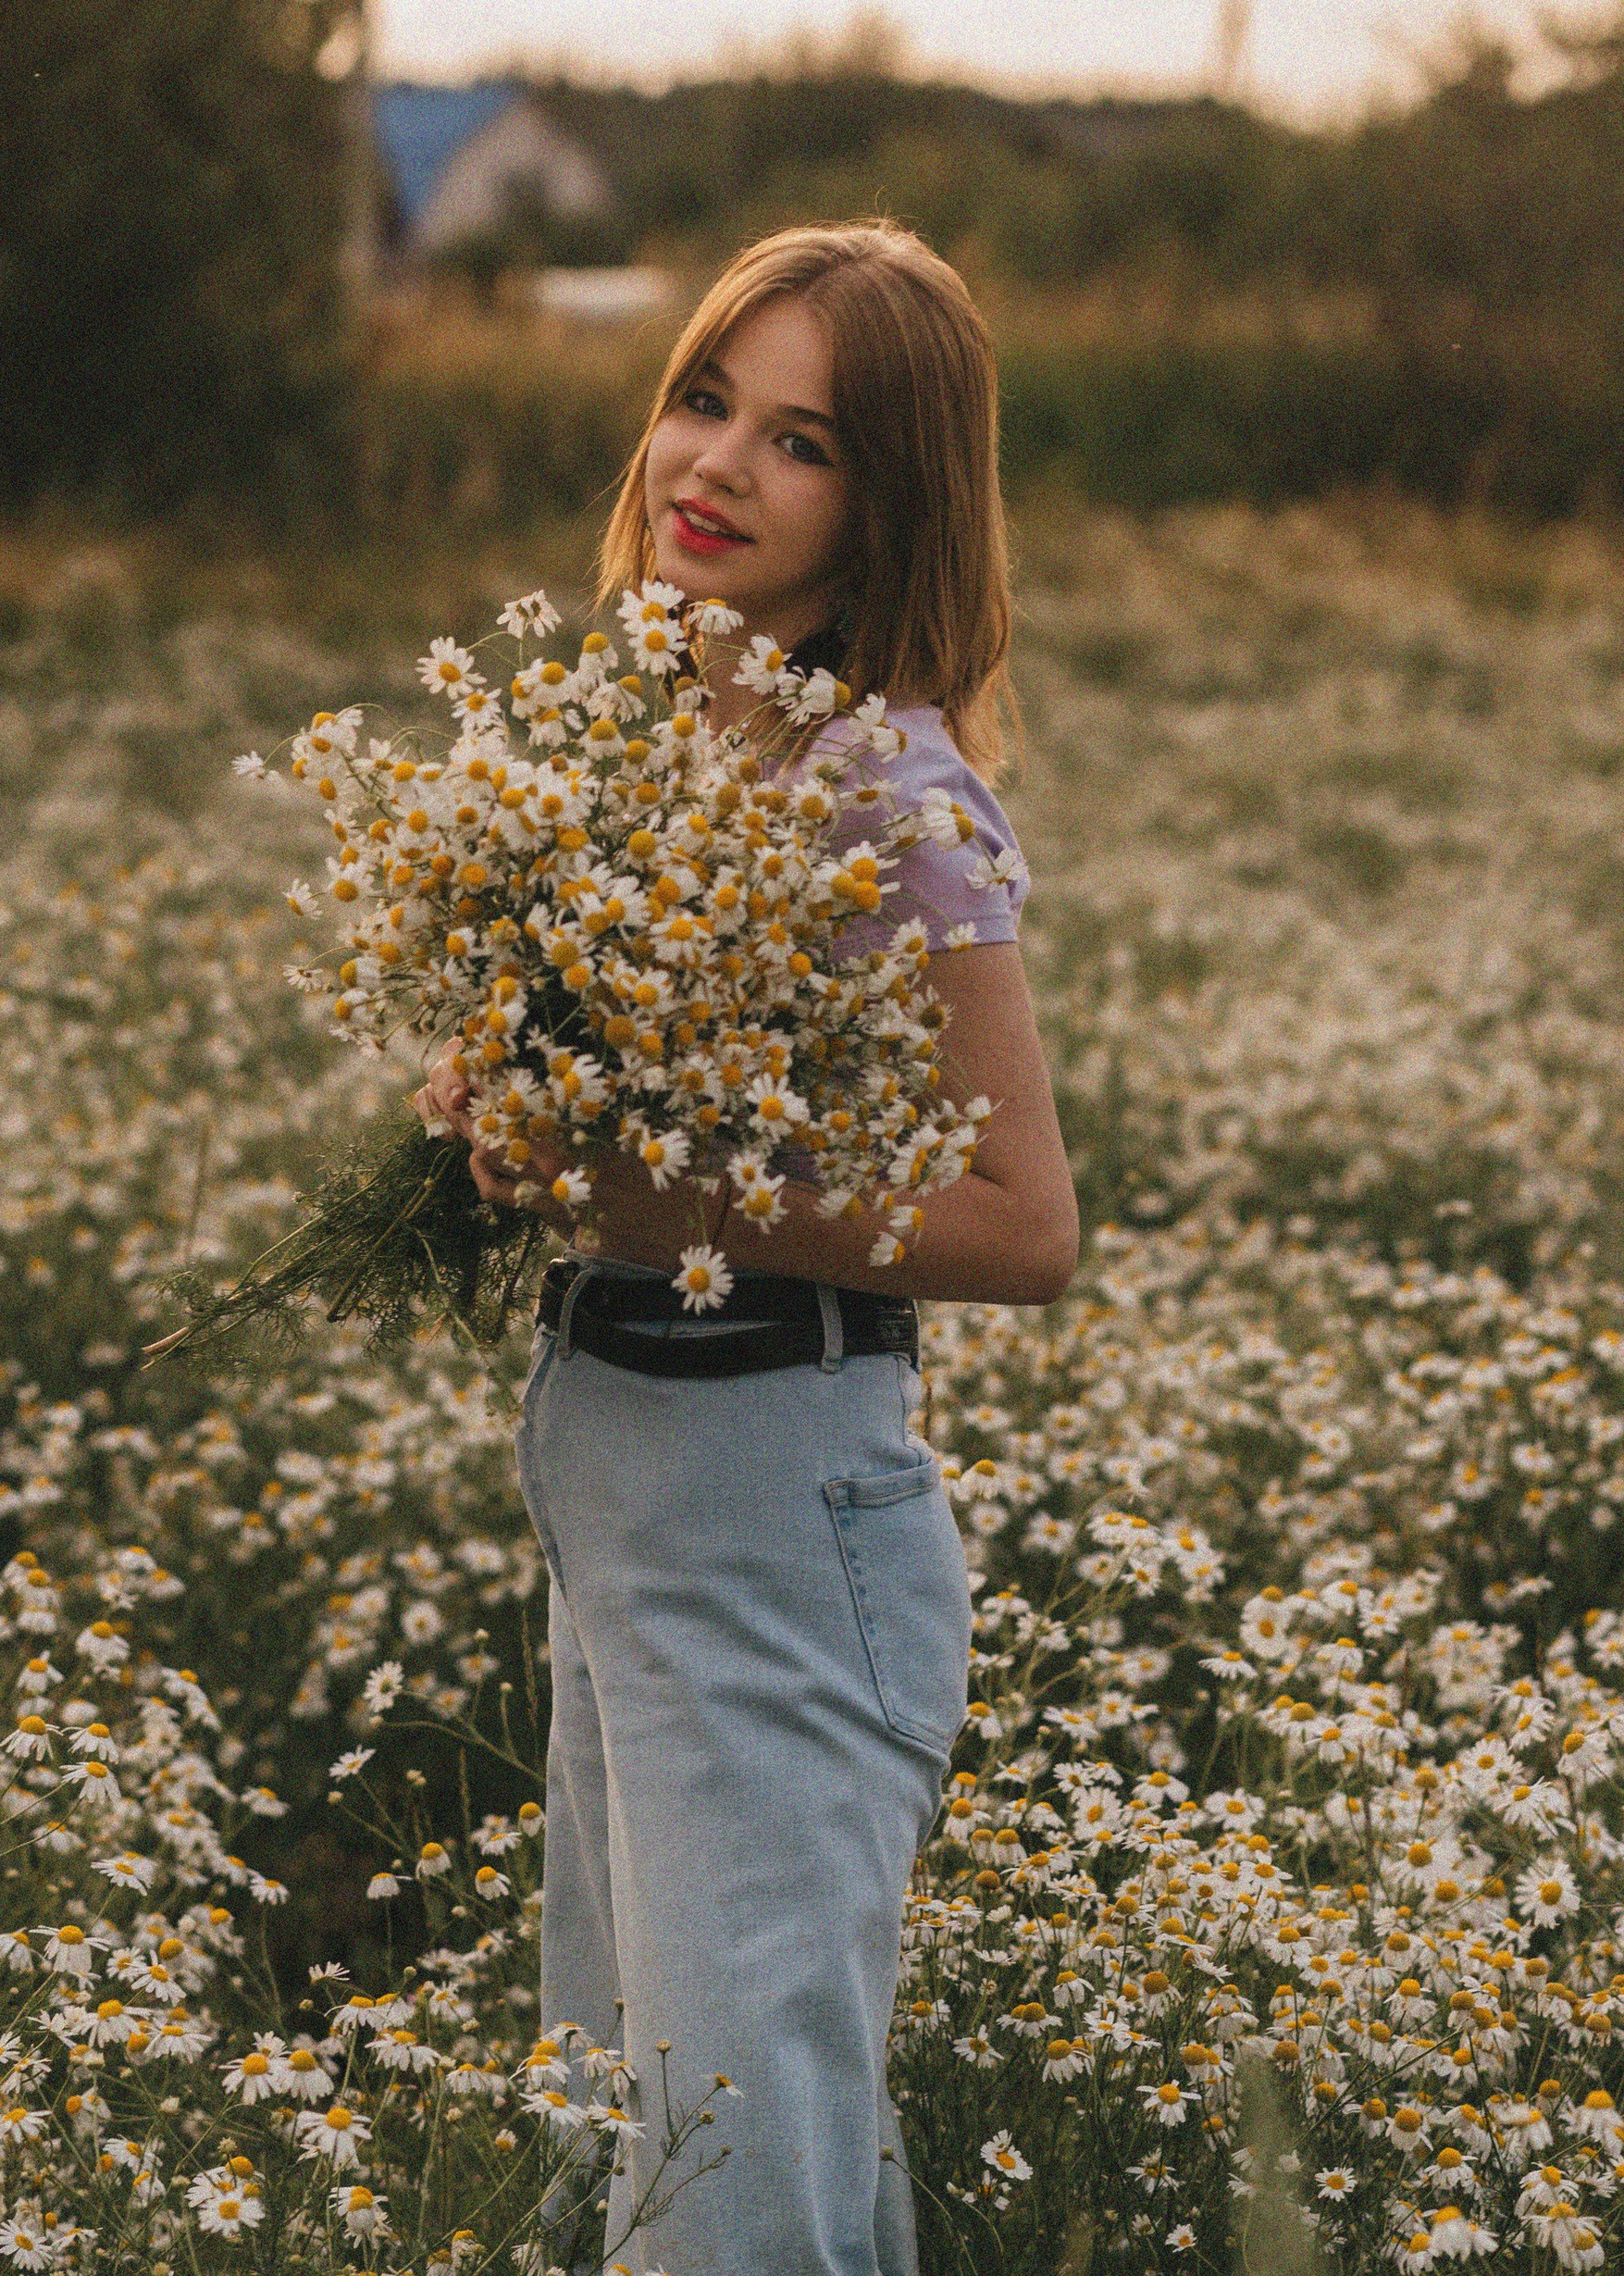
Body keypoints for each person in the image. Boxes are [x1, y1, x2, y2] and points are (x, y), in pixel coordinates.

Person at [426, 220, 1077, 2276]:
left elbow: (1020, 1223)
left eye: (800, 439)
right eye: (704, 394)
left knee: (730, 2197)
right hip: (630, 1490)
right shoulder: (659, 744)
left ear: (884, 501)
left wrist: (654, 1196)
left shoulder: (888, 784)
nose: (714, 461)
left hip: (782, 1528)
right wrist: (492, 1119)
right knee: (670, 2137)